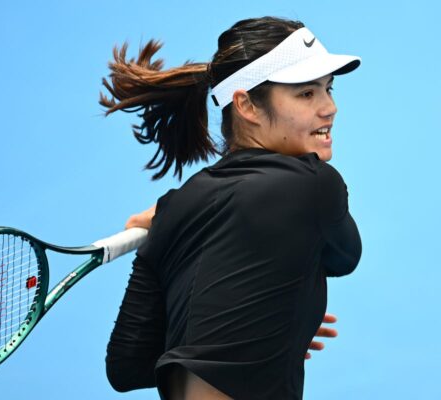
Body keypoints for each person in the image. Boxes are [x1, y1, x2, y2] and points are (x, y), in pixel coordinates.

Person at [100, 16, 362, 400]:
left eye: (328, 88)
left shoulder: (176, 208)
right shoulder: (315, 184)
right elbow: (345, 256)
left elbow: (127, 366)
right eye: (307, 93)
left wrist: (254, 326)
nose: (330, 107)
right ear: (246, 105)